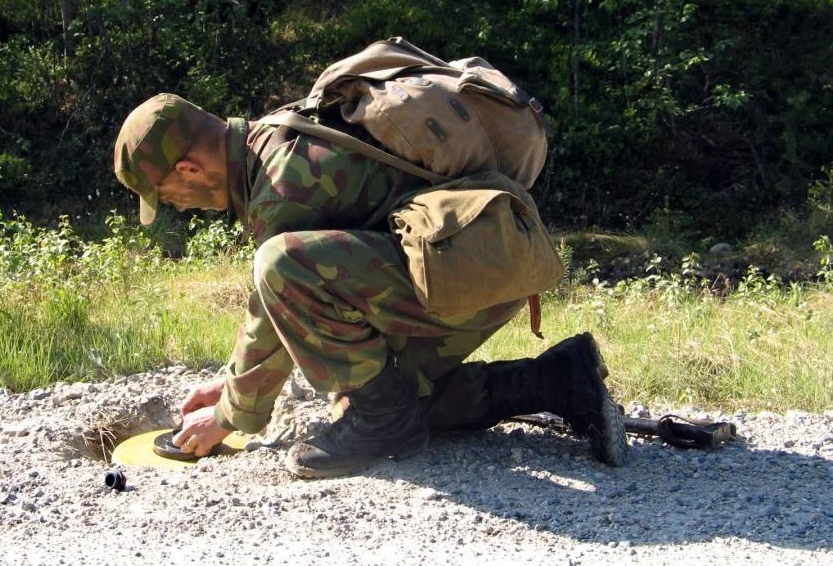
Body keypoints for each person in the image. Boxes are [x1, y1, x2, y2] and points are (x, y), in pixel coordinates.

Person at [113, 93, 628, 478]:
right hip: (474, 263)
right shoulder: (272, 138)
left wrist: (230, 414)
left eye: (167, 196)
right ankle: (562, 378)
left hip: (468, 270)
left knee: (280, 266)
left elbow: (280, 288)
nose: (177, 208)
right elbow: (276, 312)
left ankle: (384, 417)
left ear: (187, 168)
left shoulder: (283, 180)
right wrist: (230, 384)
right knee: (390, 396)